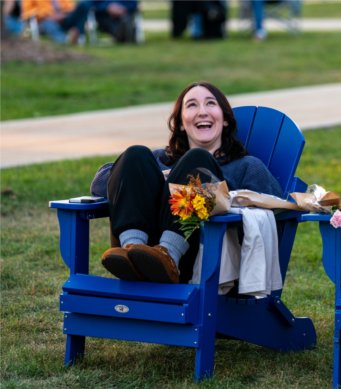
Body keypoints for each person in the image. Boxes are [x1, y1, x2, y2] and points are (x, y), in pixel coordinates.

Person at [90, 81, 283, 284]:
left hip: (199, 258)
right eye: (192, 105)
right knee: (135, 153)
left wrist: (210, 193)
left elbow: (274, 205)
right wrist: (162, 180)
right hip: (141, 251)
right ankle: (131, 251)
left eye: (210, 103)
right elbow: (100, 184)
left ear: (225, 119)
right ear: (181, 122)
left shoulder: (245, 166)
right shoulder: (157, 160)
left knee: (197, 160)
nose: (202, 112)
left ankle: (167, 255)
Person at [20, 0, 91, 44]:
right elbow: (26, 13)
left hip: (64, 18)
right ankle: (66, 40)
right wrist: (46, 15)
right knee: (49, 24)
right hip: (43, 21)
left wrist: (62, 15)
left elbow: (71, 7)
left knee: (84, 5)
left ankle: (77, 33)